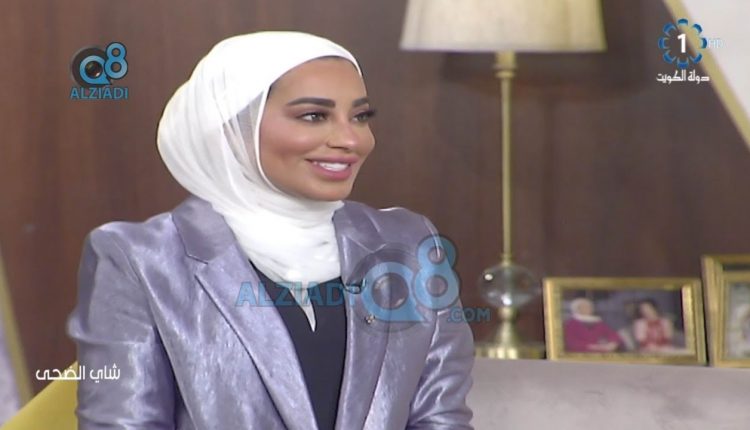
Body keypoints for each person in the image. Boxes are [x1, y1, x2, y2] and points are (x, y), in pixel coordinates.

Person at [66, 32, 474, 429]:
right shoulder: (139, 259)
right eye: (314, 116)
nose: (351, 140)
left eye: (360, 116)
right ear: (232, 127)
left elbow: (441, 418)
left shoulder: (409, 242)